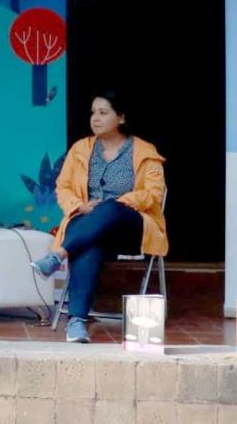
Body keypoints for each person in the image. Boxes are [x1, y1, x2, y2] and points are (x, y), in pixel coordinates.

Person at [31, 90, 167, 343]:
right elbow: (63, 187)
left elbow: (153, 194)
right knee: (90, 244)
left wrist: (118, 203)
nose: (95, 118)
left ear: (121, 118)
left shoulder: (144, 151)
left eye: (103, 113)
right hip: (88, 225)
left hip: (129, 226)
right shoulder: (81, 149)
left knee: (110, 208)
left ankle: (58, 254)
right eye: (93, 112)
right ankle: (77, 322)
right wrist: (79, 206)